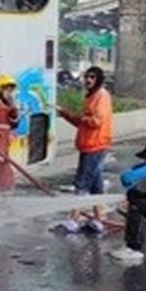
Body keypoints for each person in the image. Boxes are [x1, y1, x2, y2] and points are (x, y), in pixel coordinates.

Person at [56, 65, 113, 233]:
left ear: (99, 80)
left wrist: (81, 117)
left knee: (82, 183)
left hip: (95, 145)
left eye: (92, 77)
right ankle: (98, 218)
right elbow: (82, 123)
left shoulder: (101, 96)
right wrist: (65, 114)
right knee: (95, 185)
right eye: (87, 77)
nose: (88, 80)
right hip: (90, 144)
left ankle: (73, 220)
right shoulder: (91, 97)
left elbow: (96, 121)